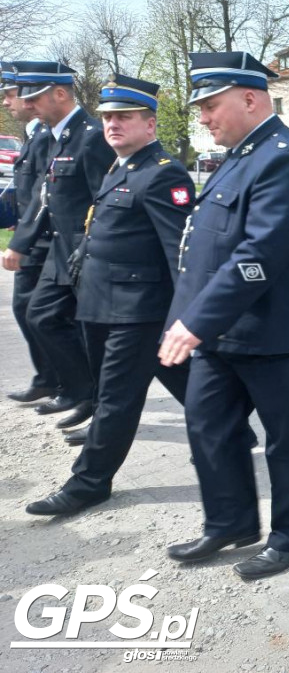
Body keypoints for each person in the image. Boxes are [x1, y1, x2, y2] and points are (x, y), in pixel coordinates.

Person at [159, 51, 289, 580]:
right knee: (208, 424)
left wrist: (195, 322)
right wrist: (186, 318)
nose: (204, 117)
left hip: (271, 329)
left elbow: (257, 258)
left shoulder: (283, 159)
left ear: (250, 98)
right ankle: (231, 521)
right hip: (219, 330)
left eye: (211, 105)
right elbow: (203, 253)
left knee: (286, 439)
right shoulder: (239, 157)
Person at [25, 75, 194, 516]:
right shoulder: (119, 167)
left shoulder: (164, 174)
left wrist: (184, 317)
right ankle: (232, 427)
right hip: (99, 304)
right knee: (180, 378)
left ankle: (89, 482)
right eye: (107, 118)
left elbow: (181, 252)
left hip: (138, 311)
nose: (113, 125)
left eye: (125, 117)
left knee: (116, 397)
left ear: (150, 125)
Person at [18, 61, 114, 428]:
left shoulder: (90, 134)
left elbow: (101, 199)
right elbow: (47, 196)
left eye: (35, 97)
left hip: (83, 255)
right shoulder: (54, 136)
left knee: (101, 339)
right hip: (60, 253)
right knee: (40, 316)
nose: (28, 105)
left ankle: (96, 405)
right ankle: (81, 391)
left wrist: (89, 248)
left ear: (61, 93)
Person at [1, 62, 57, 403]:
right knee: (29, 311)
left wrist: (24, 238)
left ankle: (69, 381)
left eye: (10, 94)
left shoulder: (50, 134)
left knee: (41, 314)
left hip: (44, 239)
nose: (7, 102)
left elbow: (46, 192)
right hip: (30, 234)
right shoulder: (36, 132)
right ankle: (51, 377)